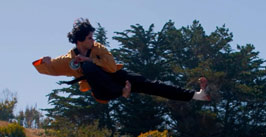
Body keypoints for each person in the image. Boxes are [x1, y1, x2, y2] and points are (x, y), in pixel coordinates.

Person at [32, 18, 210, 103]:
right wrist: (44, 61)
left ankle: (195, 95)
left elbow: (110, 67)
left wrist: (90, 59)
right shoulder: (70, 59)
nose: (92, 41)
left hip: (116, 78)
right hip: (103, 92)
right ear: (79, 40)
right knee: (86, 66)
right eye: (89, 38)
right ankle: (121, 92)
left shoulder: (99, 48)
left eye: (93, 37)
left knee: (150, 84)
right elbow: (51, 69)